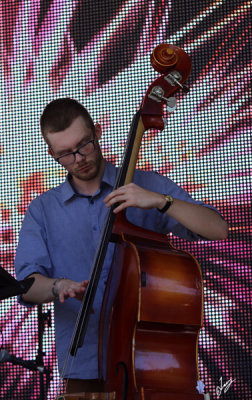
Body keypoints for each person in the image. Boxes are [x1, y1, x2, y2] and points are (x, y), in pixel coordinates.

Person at [15, 98, 228, 394]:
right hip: (82, 367)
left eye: (84, 145)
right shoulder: (42, 210)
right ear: (51, 154)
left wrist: (160, 201)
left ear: (97, 132)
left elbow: (217, 229)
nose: (78, 158)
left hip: (150, 365)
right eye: (65, 154)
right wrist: (58, 286)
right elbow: (28, 286)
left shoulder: (146, 185)